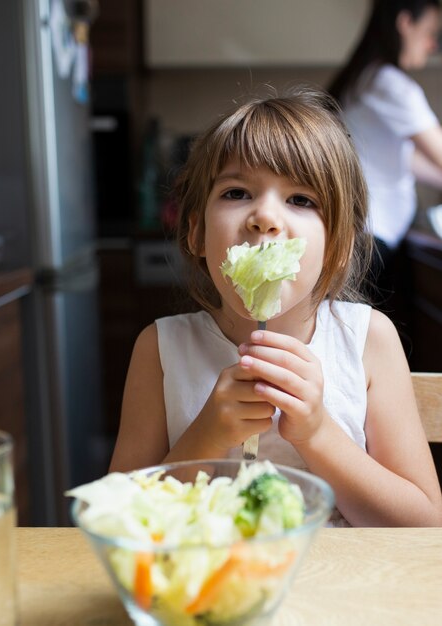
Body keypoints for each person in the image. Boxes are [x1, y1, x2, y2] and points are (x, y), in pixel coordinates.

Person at [109, 87, 442, 527]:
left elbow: (424, 526)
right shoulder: (161, 350)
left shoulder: (367, 340)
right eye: (236, 193)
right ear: (195, 231)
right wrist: (207, 436)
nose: (264, 216)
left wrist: (318, 433)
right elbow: (115, 518)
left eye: (300, 200)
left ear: (338, 245)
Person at [328, 0, 442, 310]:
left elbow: (403, 160)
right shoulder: (391, 85)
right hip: (368, 238)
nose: (432, 44)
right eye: (430, 31)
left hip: (363, 235)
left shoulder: (367, 78)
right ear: (405, 23)